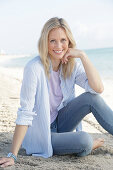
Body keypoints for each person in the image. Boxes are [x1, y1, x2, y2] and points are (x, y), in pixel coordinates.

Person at [0, 17, 113, 168]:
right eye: (52, 40)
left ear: (69, 42)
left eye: (63, 40)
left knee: (92, 98)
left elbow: (97, 88)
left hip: (61, 123)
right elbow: (25, 112)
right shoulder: (34, 68)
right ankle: (86, 146)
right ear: (45, 42)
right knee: (84, 140)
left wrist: (83, 56)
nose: (58, 46)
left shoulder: (70, 65)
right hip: (42, 135)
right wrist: (12, 154)